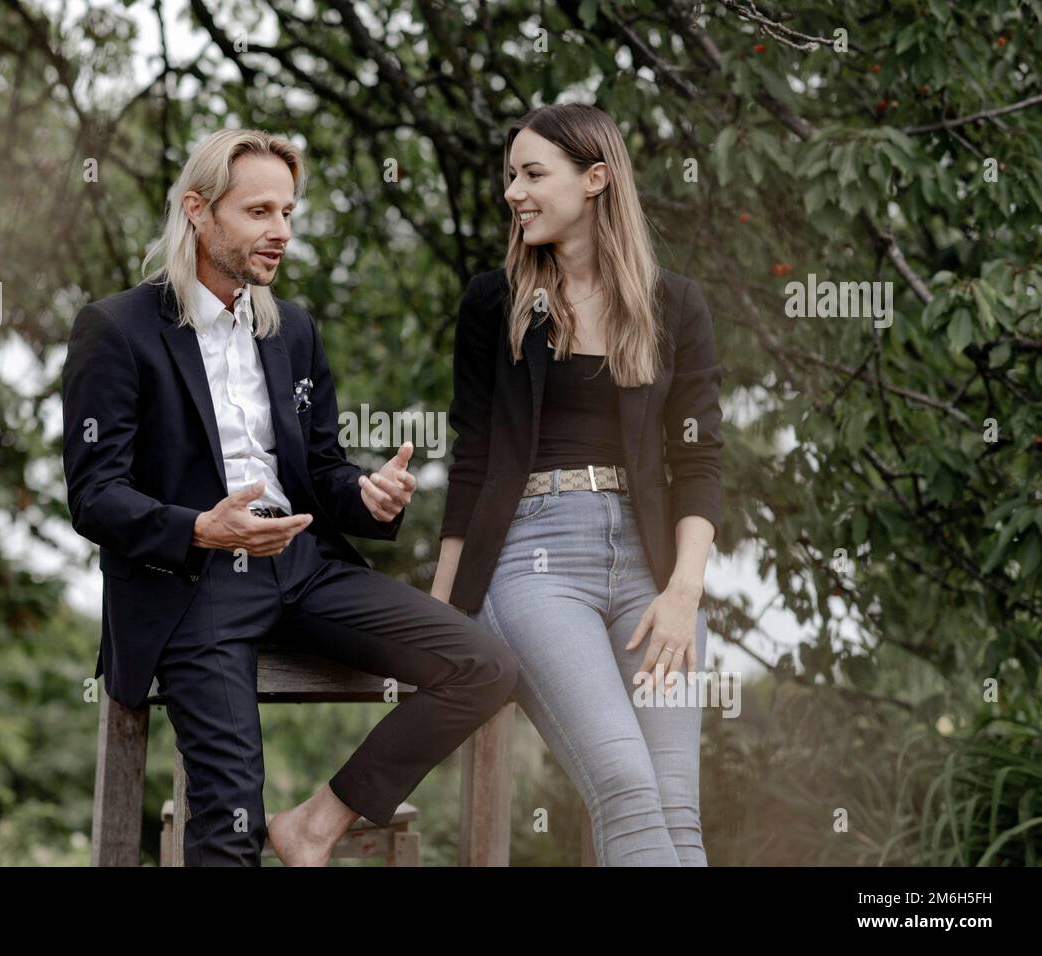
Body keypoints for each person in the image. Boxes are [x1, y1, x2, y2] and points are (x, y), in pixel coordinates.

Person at [62, 128, 518, 866]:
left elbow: (321, 468)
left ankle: (316, 823)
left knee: (487, 665)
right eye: (260, 212)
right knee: (230, 825)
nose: (281, 232)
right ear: (198, 211)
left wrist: (366, 495)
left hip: (304, 568)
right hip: (194, 585)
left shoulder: (291, 328)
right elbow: (94, 496)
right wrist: (203, 529)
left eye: (289, 212)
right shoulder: (117, 330)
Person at [431, 103, 723, 866]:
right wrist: (441, 607)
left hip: (653, 572)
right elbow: (471, 459)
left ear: (595, 179)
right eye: (510, 177)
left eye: (533, 174)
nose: (513, 193)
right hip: (534, 561)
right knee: (625, 786)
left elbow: (699, 461)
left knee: (677, 810)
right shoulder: (492, 305)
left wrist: (683, 593)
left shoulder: (673, 304)